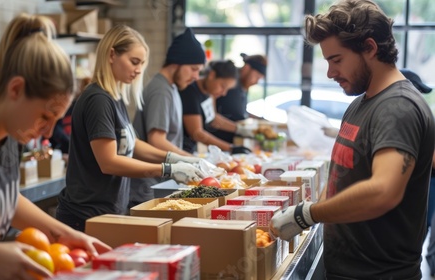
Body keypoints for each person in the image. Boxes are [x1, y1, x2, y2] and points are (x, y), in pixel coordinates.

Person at [0, 14, 111, 280]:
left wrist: (64, 233)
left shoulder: (10, 136)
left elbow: (1, 198)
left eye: (56, 120)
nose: (49, 132)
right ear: (16, 89)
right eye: (45, 117)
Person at [270, 1, 435, 279]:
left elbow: (383, 191)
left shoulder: (398, 108)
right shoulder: (361, 103)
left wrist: (307, 214)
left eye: (337, 60)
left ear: (370, 48)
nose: (330, 73)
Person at [56, 25, 205, 232]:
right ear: (111, 55)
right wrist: (167, 169)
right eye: (134, 62)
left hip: (110, 211)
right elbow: (109, 162)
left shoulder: (115, 97)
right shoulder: (98, 99)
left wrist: (176, 158)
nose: (138, 70)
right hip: (86, 215)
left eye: (142, 64)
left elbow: (133, 144)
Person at [129, 27, 205, 209]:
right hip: (148, 188)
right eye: (193, 69)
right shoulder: (160, 91)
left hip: (159, 183)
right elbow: (157, 141)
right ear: (177, 63)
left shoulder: (171, 88)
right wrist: (192, 161)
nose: (196, 76)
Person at [180, 60, 252, 153]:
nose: (223, 93)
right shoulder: (191, 93)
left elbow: (213, 118)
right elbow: (196, 133)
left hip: (192, 150)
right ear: (212, 75)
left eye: (227, 89)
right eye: (222, 86)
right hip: (180, 150)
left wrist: (239, 129)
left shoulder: (208, 93)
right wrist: (230, 148)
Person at [211, 53, 267, 143]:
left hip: (234, 142)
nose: (256, 82)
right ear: (247, 68)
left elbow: (239, 112)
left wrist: (262, 120)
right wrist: (240, 129)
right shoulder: (227, 81)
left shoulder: (244, 87)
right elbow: (212, 117)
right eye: (257, 77)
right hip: (217, 142)